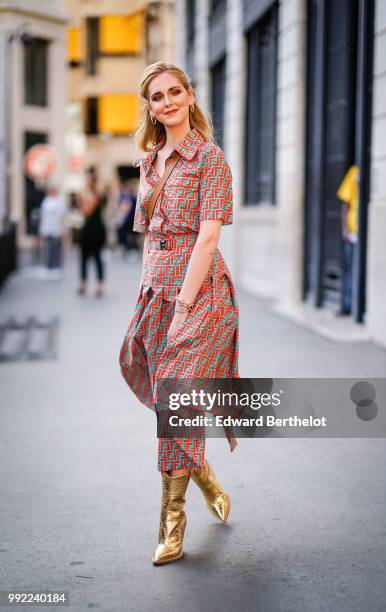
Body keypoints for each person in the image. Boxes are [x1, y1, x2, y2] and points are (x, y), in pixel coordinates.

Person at [119, 61, 240, 565]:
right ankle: (202, 470)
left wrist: (182, 307)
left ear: (190, 97)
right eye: (156, 96)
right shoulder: (148, 162)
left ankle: (172, 523)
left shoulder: (210, 159)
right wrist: (147, 294)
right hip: (157, 287)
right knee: (156, 382)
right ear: (149, 107)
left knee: (175, 393)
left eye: (174, 92)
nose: (166, 102)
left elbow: (208, 238)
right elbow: (148, 236)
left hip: (202, 291)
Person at [77, 173, 107, 298]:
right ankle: (83, 283)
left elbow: (86, 211)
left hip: (95, 229)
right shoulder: (91, 195)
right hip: (89, 228)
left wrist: (81, 201)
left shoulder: (96, 195)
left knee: (96, 256)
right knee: (84, 256)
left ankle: (99, 285)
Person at [337, 165, 359, 316]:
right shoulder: (354, 172)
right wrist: (345, 229)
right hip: (353, 233)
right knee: (350, 269)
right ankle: (347, 305)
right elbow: (345, 204)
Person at [38, 184, 66, 280]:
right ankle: (47, 268)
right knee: (47, 250)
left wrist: (62, 230)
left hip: (56, 230)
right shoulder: (46, 202)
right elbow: (43, 217)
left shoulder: (60, 202)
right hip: (47, 229)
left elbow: (62, 217)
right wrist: (42, 231)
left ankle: (56, 268)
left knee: (56, 250)